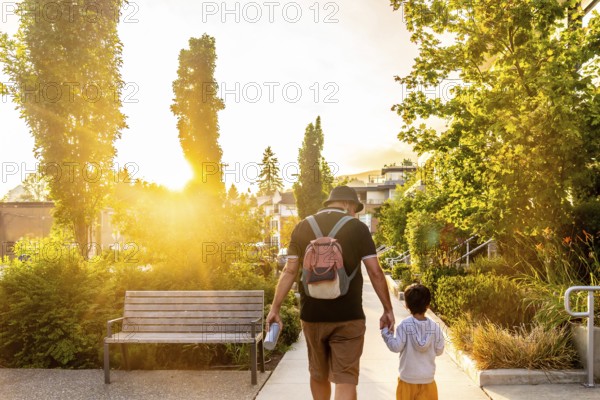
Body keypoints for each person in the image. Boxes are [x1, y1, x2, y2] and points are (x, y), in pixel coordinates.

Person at [266, 185, 394, 400]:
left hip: (312, 316)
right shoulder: (358, 228)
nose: (355, 213)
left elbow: (289, 270)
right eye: (355, 208)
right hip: (349, 316)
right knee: (345, 379)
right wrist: (387, 309)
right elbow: (375, 272)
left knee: (318, 374)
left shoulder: (302, 227)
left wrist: (275, 308)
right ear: (347, 204)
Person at [381, 283, 444, 400]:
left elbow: (396, 347)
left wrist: (386, 333)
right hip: (428, 381)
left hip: (407, 380)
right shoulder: (435, 327)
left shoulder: (404, 325)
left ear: (406, 305)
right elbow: (439, 351)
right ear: (428, 305)